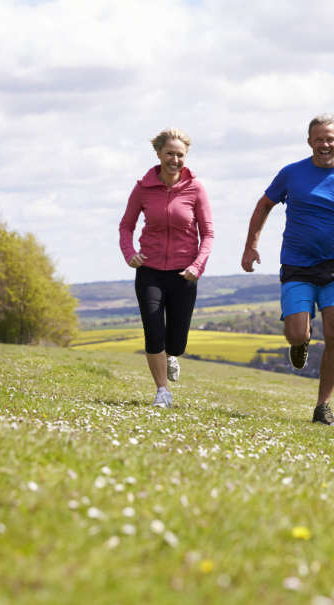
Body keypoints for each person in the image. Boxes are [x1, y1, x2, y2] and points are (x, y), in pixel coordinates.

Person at [241, 113, 334, 426]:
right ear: (309, 142)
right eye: (319, 139)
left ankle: (323, 405)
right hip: (297, 263)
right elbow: (263, 206)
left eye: (330, 139)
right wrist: (251, 245)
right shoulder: (291, 174)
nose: (324, 144)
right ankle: (301, 341)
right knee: (296, 333)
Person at [119, 127, 214, 408]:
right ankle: (163, 392)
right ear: (159, 154)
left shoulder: (196, 189)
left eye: (180, 154)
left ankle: (172, 356)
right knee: (153, 330)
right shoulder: (143, 188)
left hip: (185, 272)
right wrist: (130, 253)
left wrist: (198, 266)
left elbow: (208, 233)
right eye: (169, 153)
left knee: (176, 341)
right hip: (149, 269)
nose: (175, 159)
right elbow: (126, 225)